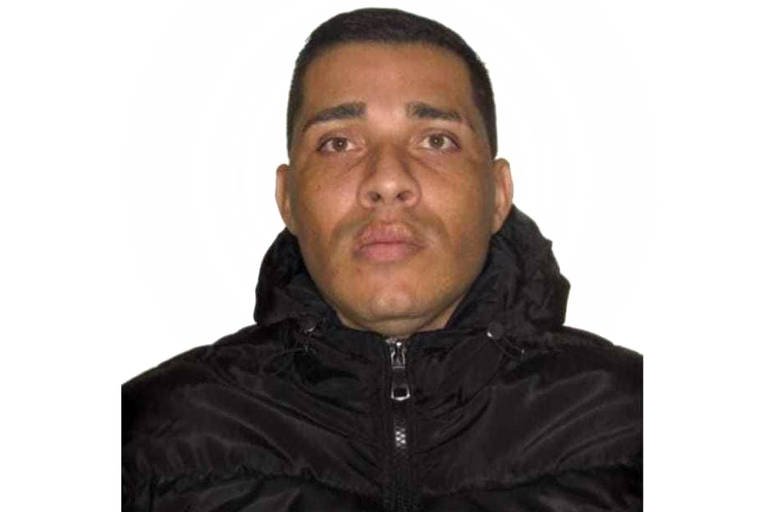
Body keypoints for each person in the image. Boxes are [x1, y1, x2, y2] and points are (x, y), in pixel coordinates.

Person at [122, 8, 642, 511]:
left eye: (436, 140)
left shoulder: (636, 422)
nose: (387, 180)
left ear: (498, 194)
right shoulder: (145, 440)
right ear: (288, 198)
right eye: (338, 143)